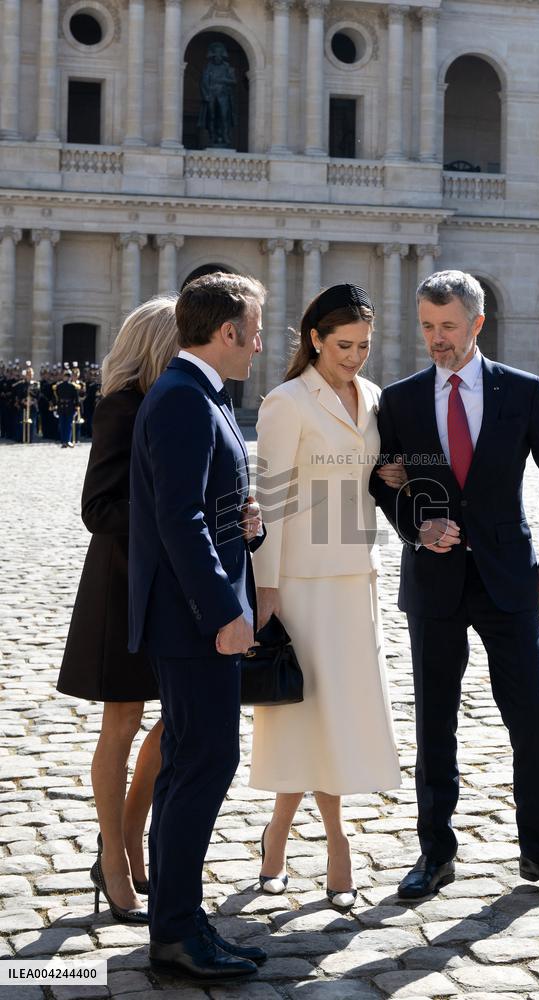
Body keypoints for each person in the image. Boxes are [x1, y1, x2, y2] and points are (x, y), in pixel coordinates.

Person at [370, 270, 539, 900]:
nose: (437, 340)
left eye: (449, 328)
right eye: (429, 328)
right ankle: (434, 853)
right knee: (436, 720)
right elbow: (385, 480)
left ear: (477, 325)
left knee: (531, 717)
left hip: (509, 578)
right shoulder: (402, 399)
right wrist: (416, 527)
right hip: (433, 582)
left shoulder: (521, 391)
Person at [128, 272, 268, 983]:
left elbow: (200, 506)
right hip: (194, 623)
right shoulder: (184, 398)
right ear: (226, 333)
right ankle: (176, 931)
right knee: (202, 764)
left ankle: (178, 917)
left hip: (192, 618)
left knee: (189, 764)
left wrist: (247, 522)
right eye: (256, 327)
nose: (261, 341)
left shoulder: (200, 394)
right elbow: (177, 520)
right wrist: (225, 613)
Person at [250, 284, 406, 911]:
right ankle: (337, 846)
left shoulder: (372, 398)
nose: (355, 357)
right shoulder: (285, 403)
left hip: (355, 577)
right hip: (300, 584)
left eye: (365, 346)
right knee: (305, 714)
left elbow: (355, 474)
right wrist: (265, 590)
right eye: (344, 345)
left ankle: (276, 838)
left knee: (332, 716)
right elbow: (273, 501)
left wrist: (380, 475)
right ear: (315, 339)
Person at [58, 297, 182, 924]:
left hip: (176, 587)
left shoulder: (181, 401)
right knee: (124, 720)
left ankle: (132, 835)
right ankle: (113, 856)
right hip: (123, 583)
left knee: (178, 717)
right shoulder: (121, 407)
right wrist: (174, 524)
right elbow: (98, 509)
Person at [53, 369, 80, 447]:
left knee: (68, 425)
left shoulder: (72, 386)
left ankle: (67, 440)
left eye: (68, 376)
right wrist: (55, 407)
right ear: (63, 377)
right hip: (62, 407)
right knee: (62, 425)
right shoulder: (58, 386)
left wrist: (76, 408)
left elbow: (76, 398)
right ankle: (63, 441)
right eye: (65, 376)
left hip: (69, 407)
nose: (66, 378)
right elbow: (56, 398)